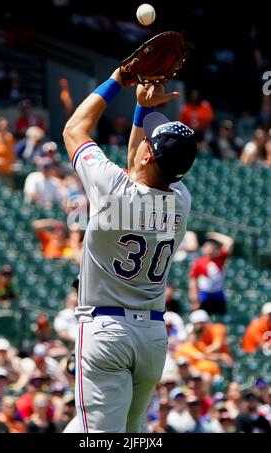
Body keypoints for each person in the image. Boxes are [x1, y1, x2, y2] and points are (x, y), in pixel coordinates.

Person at [62, 66, 197, 433]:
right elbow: (138, 167)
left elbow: (74, 129)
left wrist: (118, 80)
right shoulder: (181, 201)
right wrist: (141, 112)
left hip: (106, 332)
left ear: (147, 156)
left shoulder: (112, 190)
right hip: (152, 338)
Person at [189, 232, 234, 315]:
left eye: (213, 246)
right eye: (208, 246)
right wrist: (195, 300)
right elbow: (193, 282)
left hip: (218, 294)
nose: (211, 248)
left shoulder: (220, 259)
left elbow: (229, 242)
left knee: (220, 317)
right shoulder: (199, 262)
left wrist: (214, 235)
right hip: (205, 295)